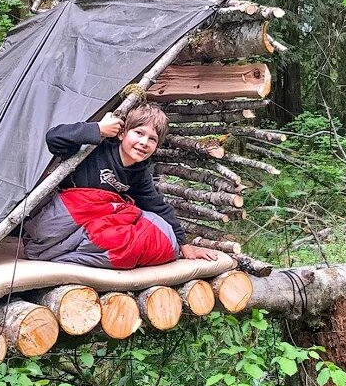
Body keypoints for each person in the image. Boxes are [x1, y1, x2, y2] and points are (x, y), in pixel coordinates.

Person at [22, 102, 221, 268]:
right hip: (64, 220)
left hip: (97, 227)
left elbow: (156, 205)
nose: (144, 142)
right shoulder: (94, 150)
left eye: (152, 139)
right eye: (139, 133)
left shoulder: (138, 172)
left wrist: (184, 245)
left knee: (158, 230)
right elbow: (53, 138)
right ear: (121, 134)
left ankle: (69, 256)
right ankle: (59, 251)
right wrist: (97, 129)